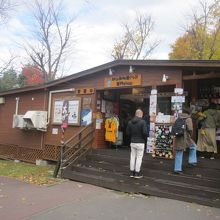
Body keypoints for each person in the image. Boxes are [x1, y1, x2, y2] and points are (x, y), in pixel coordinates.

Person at [172, 108, 197, 174]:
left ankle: (178, 168)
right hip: (186, 137)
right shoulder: (188, 118)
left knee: (179, 151)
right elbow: (190, 129)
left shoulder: (178, 118)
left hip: (178, 137)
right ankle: (191, 162)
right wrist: (190, 135)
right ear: (189, 113)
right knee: (193, 147)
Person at [126, 109, 148, 178]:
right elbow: (145, 132)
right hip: (141, 142)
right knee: (139, 158)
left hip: (133, 142)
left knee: (132, 157)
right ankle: (137, 173)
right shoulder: (143, 122)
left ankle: (132, 173)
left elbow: (127, 133)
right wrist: (145, 140)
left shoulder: (130, 122)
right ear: (141, 114)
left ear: (135, 114)